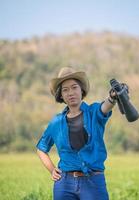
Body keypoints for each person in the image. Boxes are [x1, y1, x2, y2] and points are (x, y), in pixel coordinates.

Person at [36, 67, 116, 200]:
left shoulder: (93, 112)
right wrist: (52, 169)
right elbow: (41, 149)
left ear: (81, 90)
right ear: (61, 95)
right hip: (64, 184)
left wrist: (113, 98)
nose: (70, 93)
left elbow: (105, 106)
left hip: (93, 182)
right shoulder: (56, 122)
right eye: (65, 90)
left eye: (74, 87)